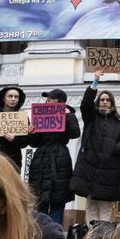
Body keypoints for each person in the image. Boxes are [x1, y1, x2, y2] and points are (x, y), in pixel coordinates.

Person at [69, 76, 120, 231]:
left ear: (112, 103)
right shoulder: (92, 117)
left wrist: (115, 149)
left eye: (107, 100)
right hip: (90, 167)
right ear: (98, 102)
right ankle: (91, 235)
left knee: (105, 206)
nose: (104, 102)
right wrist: (95, 81)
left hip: (109, 168)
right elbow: (85, 104)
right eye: (102, 100)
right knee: (90, 205)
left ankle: (103, 236)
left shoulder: (119, 121)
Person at [27, 88, 81, 227]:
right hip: (41, 159)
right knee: (40, 202)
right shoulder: (41, 116)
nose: (47, 100)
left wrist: (68, 115)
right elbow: (33, 143)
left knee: (58, 200)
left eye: (51, 98)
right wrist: (32, 132)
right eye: (47, 98)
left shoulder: (68, 115)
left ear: (60, 101)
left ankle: (55, 234)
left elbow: (75, 133)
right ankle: (41, 234)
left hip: (59, 159)